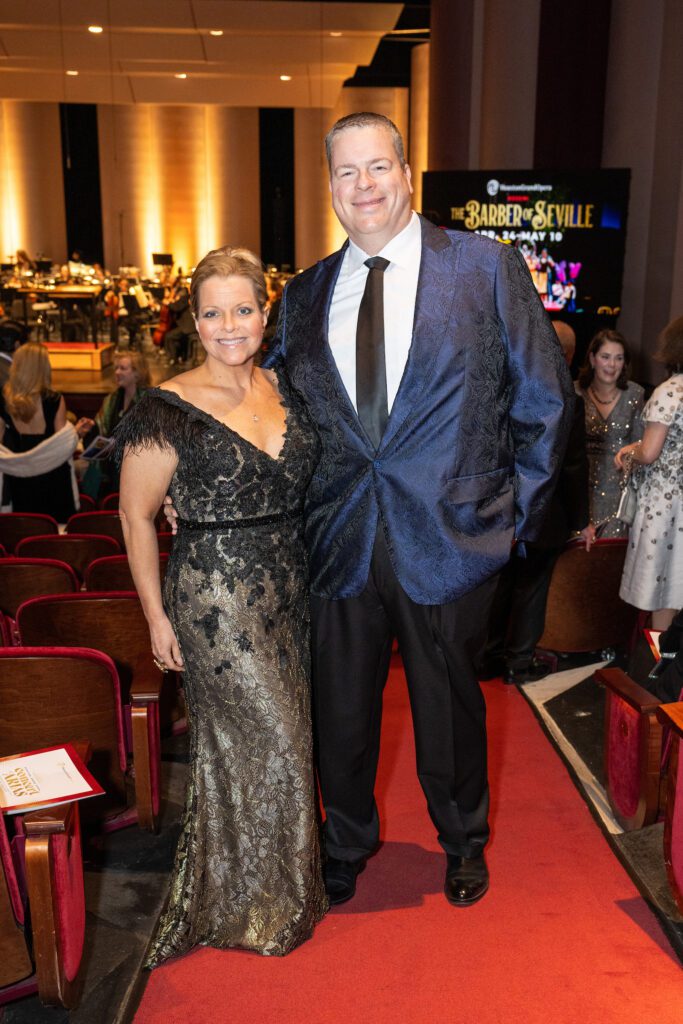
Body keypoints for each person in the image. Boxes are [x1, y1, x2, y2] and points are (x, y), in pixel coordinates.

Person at [261, 112, 573, 908]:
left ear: (406, 174)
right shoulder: (300, 296)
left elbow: (544, 401)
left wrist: (515, 529)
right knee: (339, 712)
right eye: (345, 173)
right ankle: (346, 840)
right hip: (336, 538)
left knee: (448, 708)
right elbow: (277, 421)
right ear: (328, 187)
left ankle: (462, 840)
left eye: (376, 168)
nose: (362, 186)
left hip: (452, 535)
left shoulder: (483, 267)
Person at [115, 246, 326, 965]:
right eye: (212, 313)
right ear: (194, 323)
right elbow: (136, 517)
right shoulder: (164, 408)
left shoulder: (289, 389)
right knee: (271, 740)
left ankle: (275, 889)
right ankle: (253, 905)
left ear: (264, 315)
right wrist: (155, 617)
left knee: (281, 740)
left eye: (243, 309)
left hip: (291, 587)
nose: (228, 325)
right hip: (215, 597)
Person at [483, 321, 593, 685]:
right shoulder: (566, 397)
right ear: (571, 354)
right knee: (531, 588)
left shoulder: (506, 384)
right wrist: (581, 517)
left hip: (500, 504)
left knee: (500, 584)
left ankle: (487, 657)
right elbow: (573, 465)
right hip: (545, 509)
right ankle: (518, 662)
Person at [615, 315, 683, 631]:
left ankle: (662, 673)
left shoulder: (670, 392)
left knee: (663, 592)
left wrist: (631, 451)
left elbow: (650, 452)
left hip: (667, 507)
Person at [0, 343, 90, 520]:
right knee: (53, 534)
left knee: (27, 531)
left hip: (19, 480)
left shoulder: (3, 400)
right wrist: (76, 433)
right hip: (54, 479)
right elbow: (62, 446)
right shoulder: (54, 400)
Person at [576, 329, 644, 536]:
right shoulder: (574, 392)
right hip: (579, 493)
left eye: (619, 358)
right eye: (605, 357)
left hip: (618, 494)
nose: (612, 365)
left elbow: (642, 445)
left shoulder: (635, 393)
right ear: (592, 359)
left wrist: (631, 455)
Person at [80, 350, 150, 500]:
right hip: (109, 470)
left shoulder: (149, 402)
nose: (117, 372)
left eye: (123, 368)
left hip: (136, 473)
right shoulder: (110, 400)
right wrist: (91, 427)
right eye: (116, 368)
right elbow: (103, 431)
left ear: (138, 373)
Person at [164, 281, 196, 365]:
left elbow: (175, 307)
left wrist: (168, 303)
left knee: (169, 336)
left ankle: (173, 358)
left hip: (187, 328)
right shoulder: (195, 297)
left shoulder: (186, 298)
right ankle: (181, 356)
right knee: (178, 338)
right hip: (191, 326)